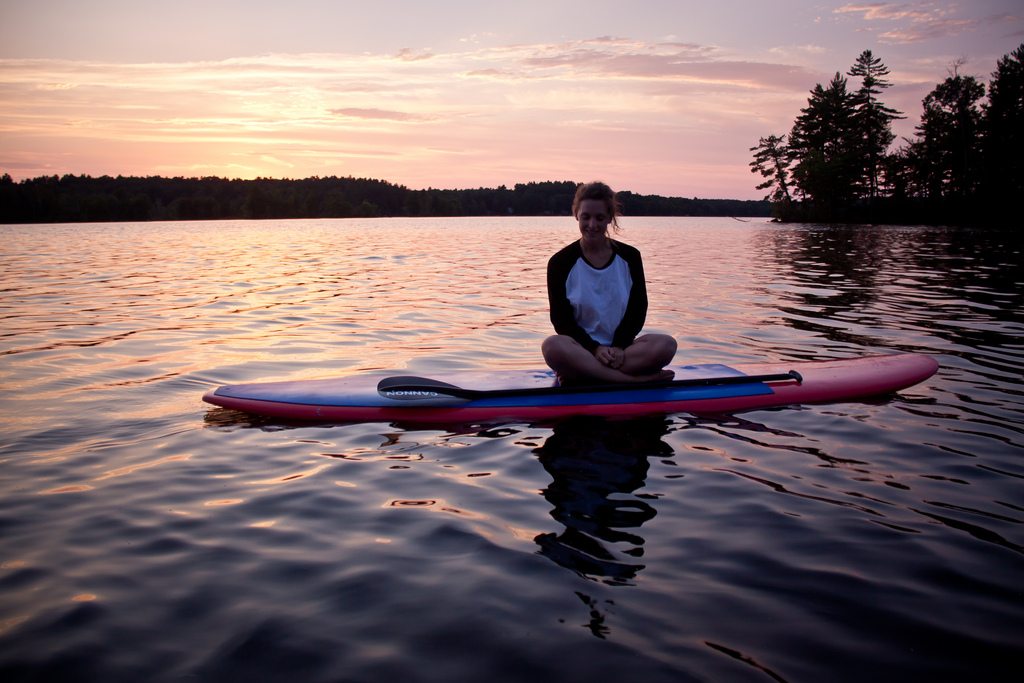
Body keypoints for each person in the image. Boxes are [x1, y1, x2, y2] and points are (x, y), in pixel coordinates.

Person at [542, 181, 677, 384]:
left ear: (609, 218)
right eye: (586, 217)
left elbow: (638, 310)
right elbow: (561, 321)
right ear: (576, 215)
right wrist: (595, 349)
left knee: (666, 344)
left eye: (600, 217)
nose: (592, 225)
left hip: (621, 353)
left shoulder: (630, 257)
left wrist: (619, 347)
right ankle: (631, 382)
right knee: (552, 346)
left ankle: (584, 374)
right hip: (582, 351)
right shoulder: (560, 262)